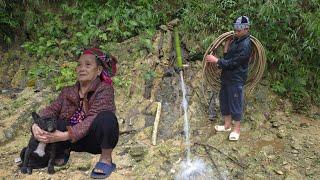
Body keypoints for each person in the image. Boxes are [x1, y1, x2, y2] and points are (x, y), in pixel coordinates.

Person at [31, 47, 119, 178]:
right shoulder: (67, 91)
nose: (82, 68)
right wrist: (35, 125)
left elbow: (92, 118)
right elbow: (52, 109)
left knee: (107, 119)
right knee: (54, 121)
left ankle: (106, 159)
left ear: (98, 70)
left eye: (88, 65)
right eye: (79, 65)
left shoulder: (105, 89)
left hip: (93, 140)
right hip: (68, 141)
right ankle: (63, 151)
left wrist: (65, 135)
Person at [205, 16, 252, 141]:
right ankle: (227, 125)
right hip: (226, 77)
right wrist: (226, 47)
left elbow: (234, 63)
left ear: (246, 29)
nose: (235, 32)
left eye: (238, 30)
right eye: (235, 30)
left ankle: (236, 130)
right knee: (224, 100)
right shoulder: (236, 40)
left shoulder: (246, 44)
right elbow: (228, 58)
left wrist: (216, 60)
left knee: (235, 103)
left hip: (236, 78)